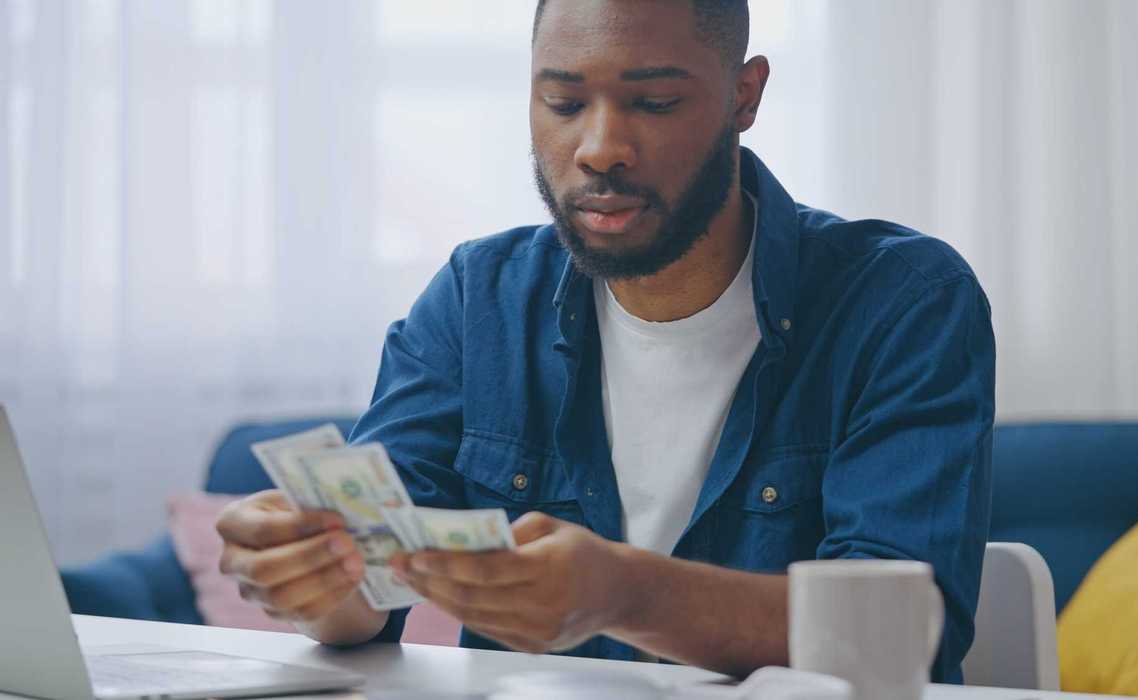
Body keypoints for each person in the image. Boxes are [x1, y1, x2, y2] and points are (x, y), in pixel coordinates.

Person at [215, 0, 994, 682]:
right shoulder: (475, 298)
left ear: (743, 95)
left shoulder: (903, 300)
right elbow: (371, 601)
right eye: (560, 102)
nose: (599, 149)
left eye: (653, 102)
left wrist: (623, 594)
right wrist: (317, 584)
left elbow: (903, 636)